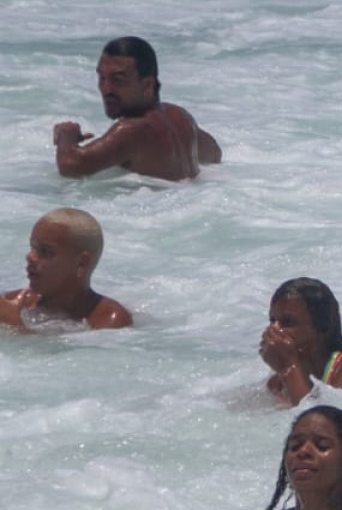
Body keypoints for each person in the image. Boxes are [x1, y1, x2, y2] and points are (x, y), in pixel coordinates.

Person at [53, 36, 222, 182]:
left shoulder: (133, 129)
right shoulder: (181, 117)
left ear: (147, 85)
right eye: (102, 78)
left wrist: (66, 136)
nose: (106, 89)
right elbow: (214, 153)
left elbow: (70, 166)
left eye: (118, 80)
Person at [0, 209, 131, 331]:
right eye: (32, 247)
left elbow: (64, 354)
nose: (30, 257)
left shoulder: (110, 319)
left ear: (82, 263)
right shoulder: (16, 301)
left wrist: (15, 324)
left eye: (45, 251)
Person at [260, 278, 342, 405]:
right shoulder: (278, 382)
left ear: (322, 328)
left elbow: (315, 420)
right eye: (272, 320)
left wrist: (288, 367)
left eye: (288, 322)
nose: (274, 329)